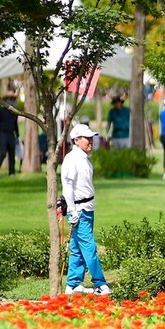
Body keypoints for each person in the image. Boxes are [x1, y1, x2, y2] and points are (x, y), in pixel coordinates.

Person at [61, 124, 110, 295]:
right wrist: (72, 211)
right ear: (76, 140)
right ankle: (100, 284)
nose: (91, 141)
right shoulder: (72, 159)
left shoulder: (83, 158)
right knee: (89, 247)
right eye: (87, 138)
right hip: (79, 210)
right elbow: (67, 187)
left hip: (87, 208)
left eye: (91, 138)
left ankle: (73, 284)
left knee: (77, 247)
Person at [0, 97, 19, 180]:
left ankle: (12, 172)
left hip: (11, 134)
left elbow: (15, 124)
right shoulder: (1, 111)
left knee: (12, 153)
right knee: (3, 153)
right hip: (2, 133)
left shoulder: (14, 112)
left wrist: (18, 135)